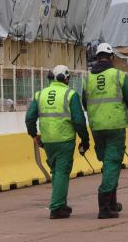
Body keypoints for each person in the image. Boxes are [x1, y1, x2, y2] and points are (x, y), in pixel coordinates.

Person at [82, 43, 128, 219]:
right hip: (115, 126)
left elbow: (85, 102)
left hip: (97, 126)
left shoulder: (87, 79)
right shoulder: (118, 75)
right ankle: (105, 206)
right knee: (113, 163)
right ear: (111, 58)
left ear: (97, 57)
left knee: (107, 163)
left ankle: (112, 202)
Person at [25, 65, 90, 219]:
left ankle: (61, 204)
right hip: (64, 139)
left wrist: (34, 135)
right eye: (68, 78)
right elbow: (79, 121)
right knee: (62, 172)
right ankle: (56, 208)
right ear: (65, 78)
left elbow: (29, 118)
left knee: (56, 172)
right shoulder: (70, 94)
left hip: (47, 140)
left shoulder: (40, 94)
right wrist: (85, 139)